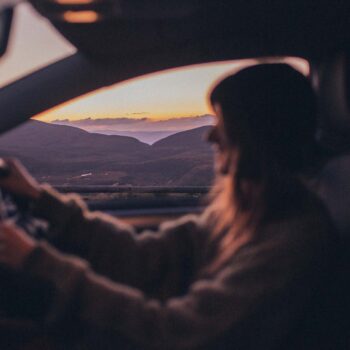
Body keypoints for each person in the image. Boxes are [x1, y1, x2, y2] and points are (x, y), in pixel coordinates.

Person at [0, 64, 336, 349]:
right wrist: (40, 200)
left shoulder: (291, 243)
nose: (210, 137)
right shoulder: (248, 211)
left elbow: (174, 334)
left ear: (257, 135)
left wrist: (36, 261)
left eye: (223, 124)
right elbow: (145, 257)